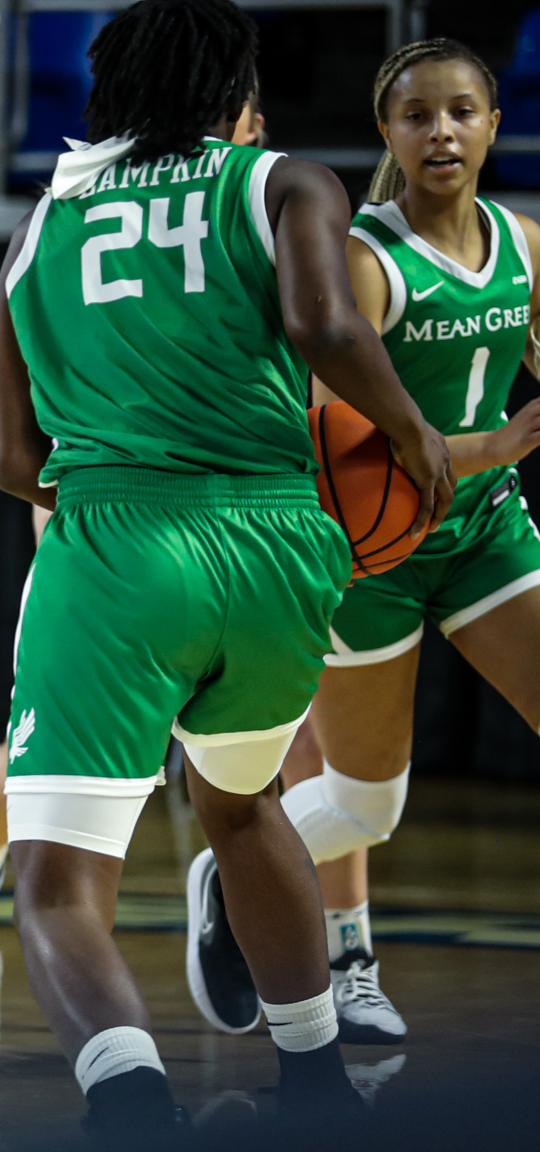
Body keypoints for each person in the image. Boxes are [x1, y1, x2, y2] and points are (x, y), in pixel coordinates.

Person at [0, 0, 453, 1133]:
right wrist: (410, 435)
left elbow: (7, 457)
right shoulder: (282, 180)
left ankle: (131, 1099)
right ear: (232, 94)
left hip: (120, 540)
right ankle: (313, 1080)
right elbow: (325, 328)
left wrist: (110, 498)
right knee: (242, 808)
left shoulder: (45, 215)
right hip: (281, 546)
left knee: (53, 880)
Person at [193, 39, 540, 1048]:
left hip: (480, 531)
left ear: (490, 124)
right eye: (417, 115)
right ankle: (234, 866)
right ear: (385, 133)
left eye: (461, 111)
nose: (440, 131)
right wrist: (492, 444)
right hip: (372, 553)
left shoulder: (522, 243)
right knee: (363, 804)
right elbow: (325, 441)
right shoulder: (362, 258)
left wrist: (491, 462)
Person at [0, 95, 274, 992]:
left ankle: (239, 903)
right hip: (104, 491)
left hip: (244, 506)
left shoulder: (262, 212)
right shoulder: (80, 210)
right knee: (44, 747)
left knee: (267, 765)